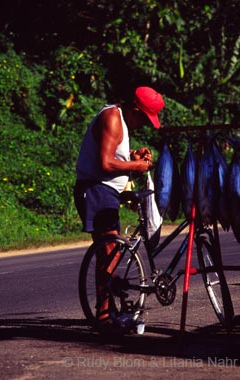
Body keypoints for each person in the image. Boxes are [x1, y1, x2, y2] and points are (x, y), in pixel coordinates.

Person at [74, 86, 165, 329]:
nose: (143, 124)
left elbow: (114, 154)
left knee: (110, 253)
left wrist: (134, 155)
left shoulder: (121, 121)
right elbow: (105, 163)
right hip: (96, 189)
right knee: (109, 253)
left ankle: (106, 312)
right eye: (144, 118)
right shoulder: (113, 118)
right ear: (135, 109)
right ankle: (103, 317)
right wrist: (136, 167)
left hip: (106, 191)